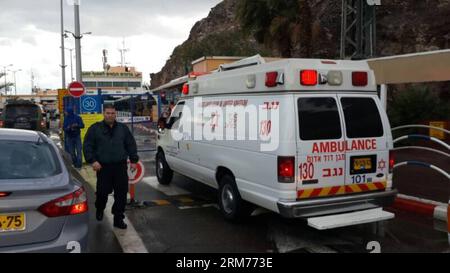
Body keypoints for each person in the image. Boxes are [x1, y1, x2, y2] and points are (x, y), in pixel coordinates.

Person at [83, 104, 139, 229]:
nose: (110, 115)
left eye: (113, 113)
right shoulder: (95, 128)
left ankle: (118, 218)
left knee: (121, 194)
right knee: (102, 193)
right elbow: (88, 146)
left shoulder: (123, 129)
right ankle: (100, 208)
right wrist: (92, 161)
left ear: (116, 114)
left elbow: (130, 144)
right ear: (104, 114)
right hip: (103, 168)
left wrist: (134, 160)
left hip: (120, 166)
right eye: (108, 113)